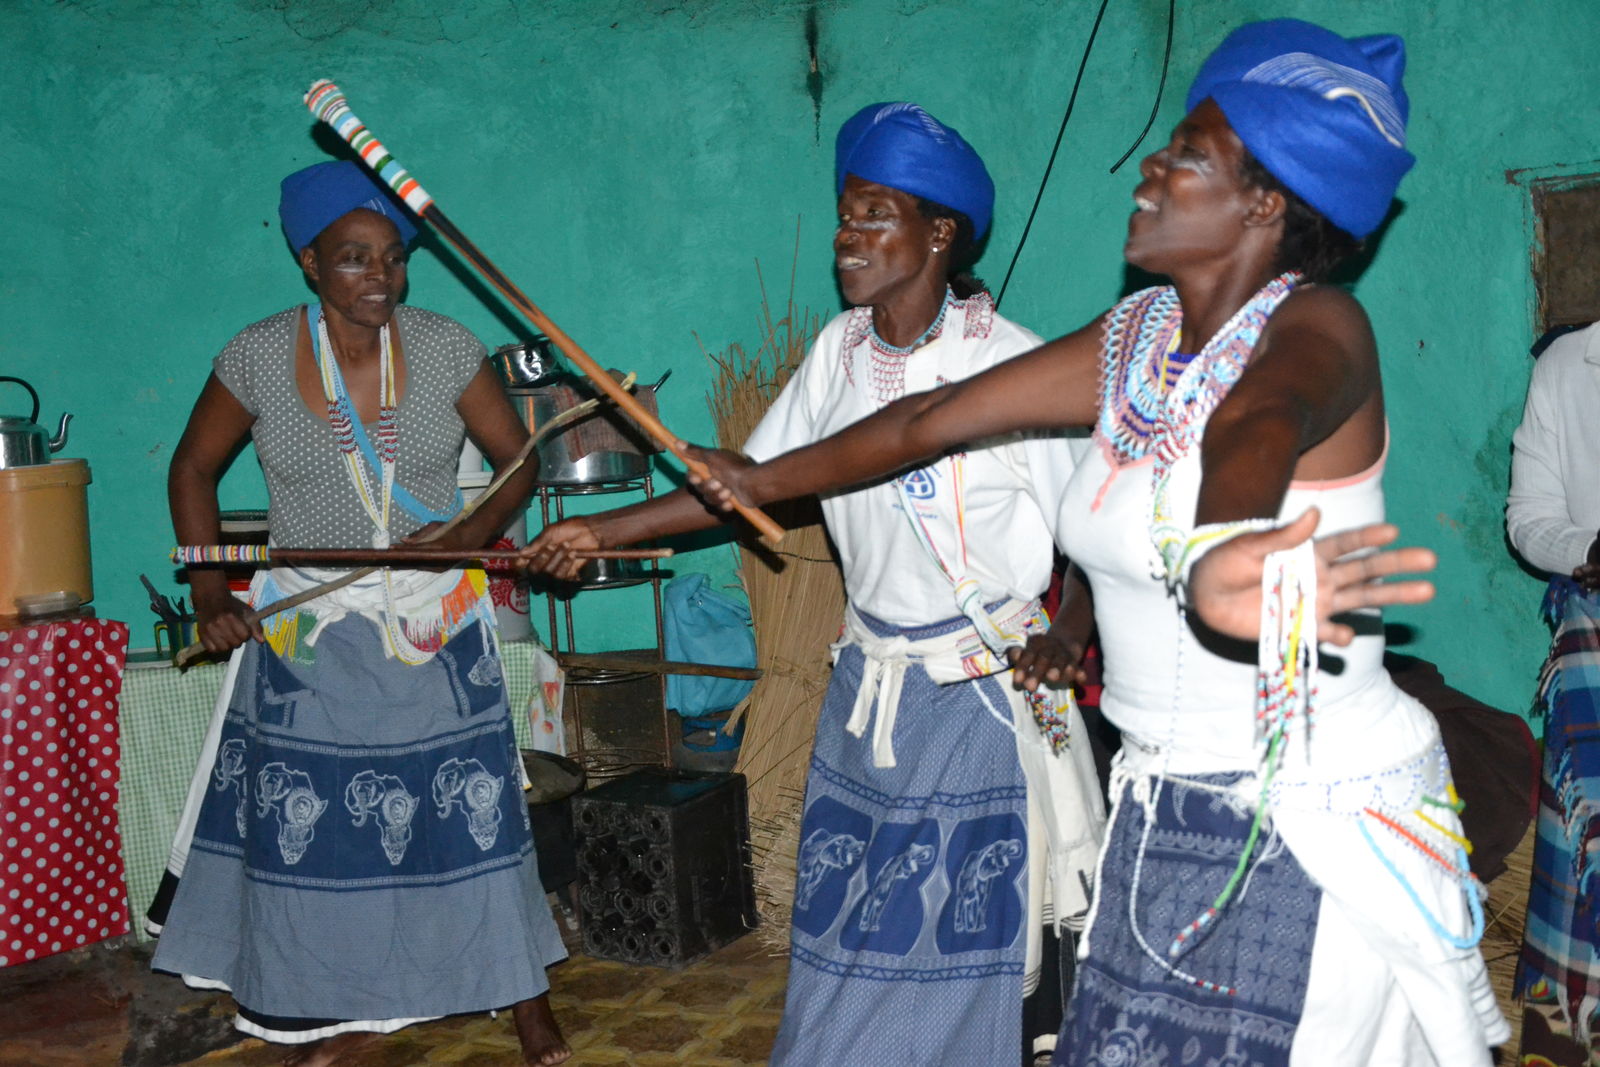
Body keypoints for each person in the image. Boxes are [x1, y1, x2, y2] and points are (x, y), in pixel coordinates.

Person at [671, 19, 1509, 1064]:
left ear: (1266, 204)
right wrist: (760, 477)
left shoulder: (1321, 327)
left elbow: (1256, 425)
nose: (1152, 166)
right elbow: (926, 420)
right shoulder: (1132, 342)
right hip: (1158, 802)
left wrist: (1225, 551)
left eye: (1189, 156)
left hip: (1293, 817)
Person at [524, 103, 1106, 1064]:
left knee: (938, 951)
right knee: (841, 941)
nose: (848, 235)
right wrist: (598, 531)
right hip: (863, 693)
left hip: (972, 703)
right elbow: (745, 487)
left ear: (939, 234)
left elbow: (1089, 532)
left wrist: (1068, 631)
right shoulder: (838, 354)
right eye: (845, 212)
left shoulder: (1006, 363)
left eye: (875, 214)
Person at [150, 160, 571, 1067]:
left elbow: (518, 464)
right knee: (323, 837)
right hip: (311, 632)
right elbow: (191, 469)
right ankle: (324, 1011)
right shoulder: (258, 354)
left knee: (477, 815)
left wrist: (465, 536)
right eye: (352, 258)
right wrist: (210, 592)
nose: (379, 278)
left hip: (432, 621)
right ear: (309, 262)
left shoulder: (448, 346)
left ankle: (525, 997)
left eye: (391, 258)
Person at [1507, 320, 1600, 1060]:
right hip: (1595, 644)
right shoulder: (1570, 365)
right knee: (1587, 854)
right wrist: (1587, 549)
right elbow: (1530, 519)